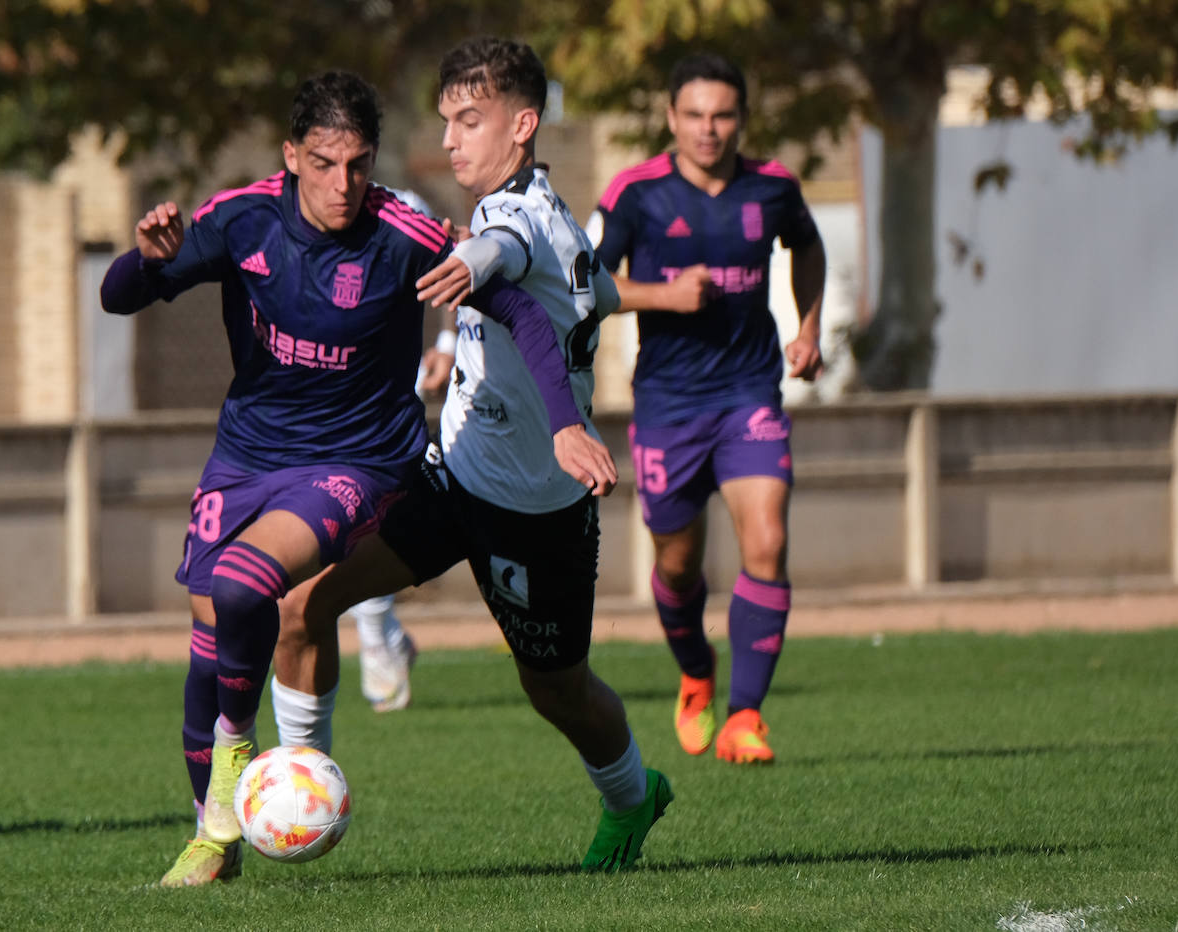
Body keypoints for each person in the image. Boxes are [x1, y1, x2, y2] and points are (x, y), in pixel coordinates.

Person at [99, 70, 617, 887]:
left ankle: (240, 758)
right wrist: (144, 257)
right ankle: (213, 839)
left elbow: (513, 306)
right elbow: (118, 296)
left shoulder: (401, 230)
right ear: (291, 156)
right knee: (210, 634)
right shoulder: (242, 219)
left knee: (244, 587)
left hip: (358, 461)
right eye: (324, 164)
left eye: (360, 164)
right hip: (247, 454)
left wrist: (562, 424)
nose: (344, 185)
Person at [273, 37, 672, 873]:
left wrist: (471, 267)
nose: (451, 139)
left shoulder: (516, 221)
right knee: (305, 603)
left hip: (535, 511)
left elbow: (503, 257)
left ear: (522, 125)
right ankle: (297, 787)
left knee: (554, 685)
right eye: (447, 120)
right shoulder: (547, 217)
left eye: (470, 120)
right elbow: (584, 288)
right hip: (449, 475)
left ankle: (635, 796)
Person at [587, 53, 826, 764]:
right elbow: (584, 283)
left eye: (722, 115)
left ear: (741, 119)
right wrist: (662, 296)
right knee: (681, 566)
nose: (708, 129)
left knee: (768, 542)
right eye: (694, 115)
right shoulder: (636, 193)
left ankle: (745, 718)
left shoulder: (774, 186)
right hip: (667, 404)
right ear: (670, 117)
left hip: (749, 393)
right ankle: (696, 674)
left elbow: (807, 249)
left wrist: (808, 328)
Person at [348, 190, 454, 714]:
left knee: (367, 524)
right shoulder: (286, 210)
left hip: (390, 398)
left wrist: (448, 346)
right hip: (323, 404)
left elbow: (458, 265)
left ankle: (375, 646)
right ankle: (387, 635)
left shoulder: (405, 207)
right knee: (336, 541)